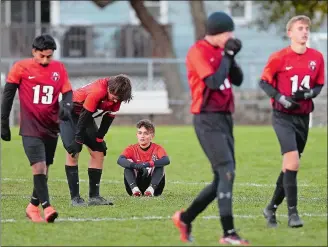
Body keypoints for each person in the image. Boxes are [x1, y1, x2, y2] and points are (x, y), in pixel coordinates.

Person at [172, 12, 249, 245]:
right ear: (216, 33)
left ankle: (185, 218)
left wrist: (231, 56)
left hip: (225, 118)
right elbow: (213, 83)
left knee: (221, 178)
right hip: (207, 118)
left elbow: (238, 79)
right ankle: (228, 234)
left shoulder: (221, 51)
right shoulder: (198, 51)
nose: (231, 36)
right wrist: (226, 55)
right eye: (228, 33)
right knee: (226, 170)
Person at [259, 15, 325, 228]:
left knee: (290, 165)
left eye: (307, 28)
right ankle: (293, 214)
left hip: (303, 117)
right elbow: (264, 82)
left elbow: (318, 86)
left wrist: (307, 94)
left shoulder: (317, 57)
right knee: (293, 161)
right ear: (290, 33)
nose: (304, 32)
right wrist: (280, 98)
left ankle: (271, 208)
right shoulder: (279, 57)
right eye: (300, 28)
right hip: (282, 117)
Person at [1, 34, 73, 223]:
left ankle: (32, 206)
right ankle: (47, 208)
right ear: (34, 51)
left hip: (51, 127)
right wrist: (3, 123)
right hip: (30, 127)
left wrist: (67, 107)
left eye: (49, 56)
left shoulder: (59, 68)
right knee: (39, 167)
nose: (45, 60)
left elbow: (68, 93)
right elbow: (7, 96)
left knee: (45, 169)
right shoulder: (20, 67)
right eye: (41, 56)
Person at [59, 75, 133, 206]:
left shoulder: (118, 95)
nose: (116, 100)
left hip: (84, 116)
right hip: (68, 113)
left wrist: (99, 138)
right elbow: (84, 116)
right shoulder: (98, 90)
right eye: (114, 96)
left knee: (99, 150)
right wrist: (78, 139)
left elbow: (107, 120)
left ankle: (94, 197)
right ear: (110, 88)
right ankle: (75, 198)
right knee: (74, 150)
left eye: (119, 99)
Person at [117, 119, 170, 197]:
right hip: (134, 187)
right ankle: (135, 190)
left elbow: (166, 160)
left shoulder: (157, 148)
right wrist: (134, 165)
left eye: (146, 133)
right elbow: (120, 160)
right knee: (127, 165)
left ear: (152, 136)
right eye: (140, 133)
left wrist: (149, 164)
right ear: (136, 135)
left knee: (160, 164)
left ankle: (150, 190)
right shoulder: (131, 148)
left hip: (155, 189)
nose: (142, 136)